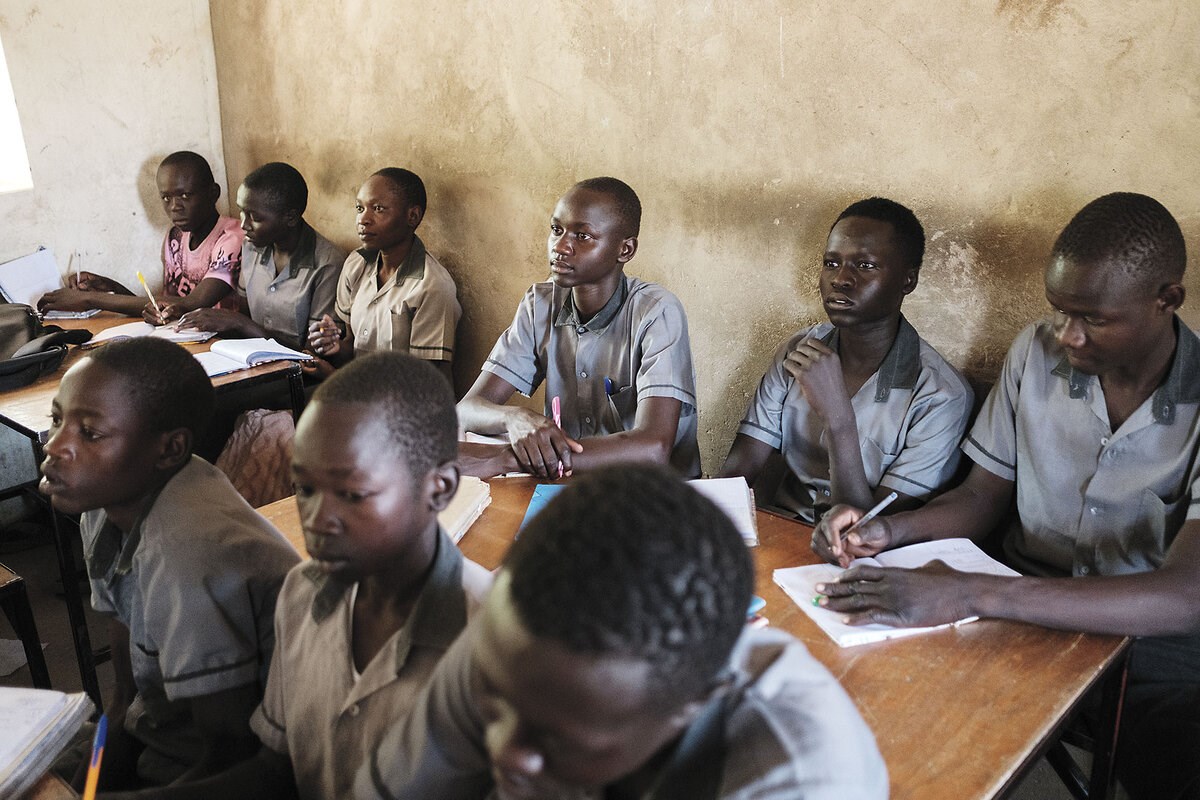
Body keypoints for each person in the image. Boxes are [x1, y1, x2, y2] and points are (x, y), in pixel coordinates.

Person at [811, 193, 1200, 800]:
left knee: (1179, 756)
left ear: (1166, 300)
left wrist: (974, 592)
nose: (1067, 336)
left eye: (1093, 318)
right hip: (1014, 597)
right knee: (873, 694)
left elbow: (1186, 597)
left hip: (1147, 640)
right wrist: (891, 531)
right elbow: (980, 499)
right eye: (1059, 311)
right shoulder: (1035, 354)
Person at [355, 464, 888, 800]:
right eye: (489, 697)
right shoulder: (519, 655)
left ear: (694, 704)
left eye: (555, 740)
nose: (507, 753)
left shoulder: (807, 778)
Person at [107, 352, 492, 799]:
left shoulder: (493, 645)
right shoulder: (303, 593)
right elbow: (277, 767)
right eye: (304, 489)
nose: (317, 518)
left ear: (438, 489)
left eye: (351, 493)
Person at [39, 337, 298, 790]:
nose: (55, 447)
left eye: (90, 433)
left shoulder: (190, 551)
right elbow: (124, 700)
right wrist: (85, 790)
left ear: (169, 450)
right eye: (57, 420)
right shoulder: (105, 502)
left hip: (245, 771)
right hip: (157, 735)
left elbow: (231, 757)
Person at [720, 197, 972, 522]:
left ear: (908, 280)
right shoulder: (800, 349)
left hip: (859, 559)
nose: (840, 279)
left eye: (865, 266)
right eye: (831, 263)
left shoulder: (940, 395)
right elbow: (740, 470)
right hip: (778, 529)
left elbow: (866, 528)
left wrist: (838, 417)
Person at [456, 177, 701, 479]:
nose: (560, 247)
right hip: (570, 489)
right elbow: (467, 409)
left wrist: (508, 459)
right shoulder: (540, 304)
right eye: (557, 230)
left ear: (624, 250)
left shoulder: (656, 312)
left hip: (652, 496)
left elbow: (653, 447)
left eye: (582, 236)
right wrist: (514, 418)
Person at [39, 151, 243, 322]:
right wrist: (111, 287)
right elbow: (164, 308)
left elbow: (192, 304)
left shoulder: (232, 238)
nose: (174, 207)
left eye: (185, 195)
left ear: (213, 193)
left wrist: (90, 299)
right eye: (166, 197)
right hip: (188, 338)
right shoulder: (176, 238)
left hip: (226, 345)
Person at [306, 168, 460, 383]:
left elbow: (422, 385)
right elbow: (353, 346)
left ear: (412, 216)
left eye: (378, 209)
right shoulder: (356, 264)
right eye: (360, 208)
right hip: (361, 396)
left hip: (409, 411)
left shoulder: (431, 286)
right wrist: (335, 347)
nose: (363, 219)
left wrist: (331, 376)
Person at [172, 162, 346, 351]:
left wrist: (241, 324)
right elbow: (244, 314)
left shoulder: (327, 264)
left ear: (291, 218)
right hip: (254, 359)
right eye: (242, 211)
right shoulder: (251, 246)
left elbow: (313, 354)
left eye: (255, 218)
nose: (244, 225)